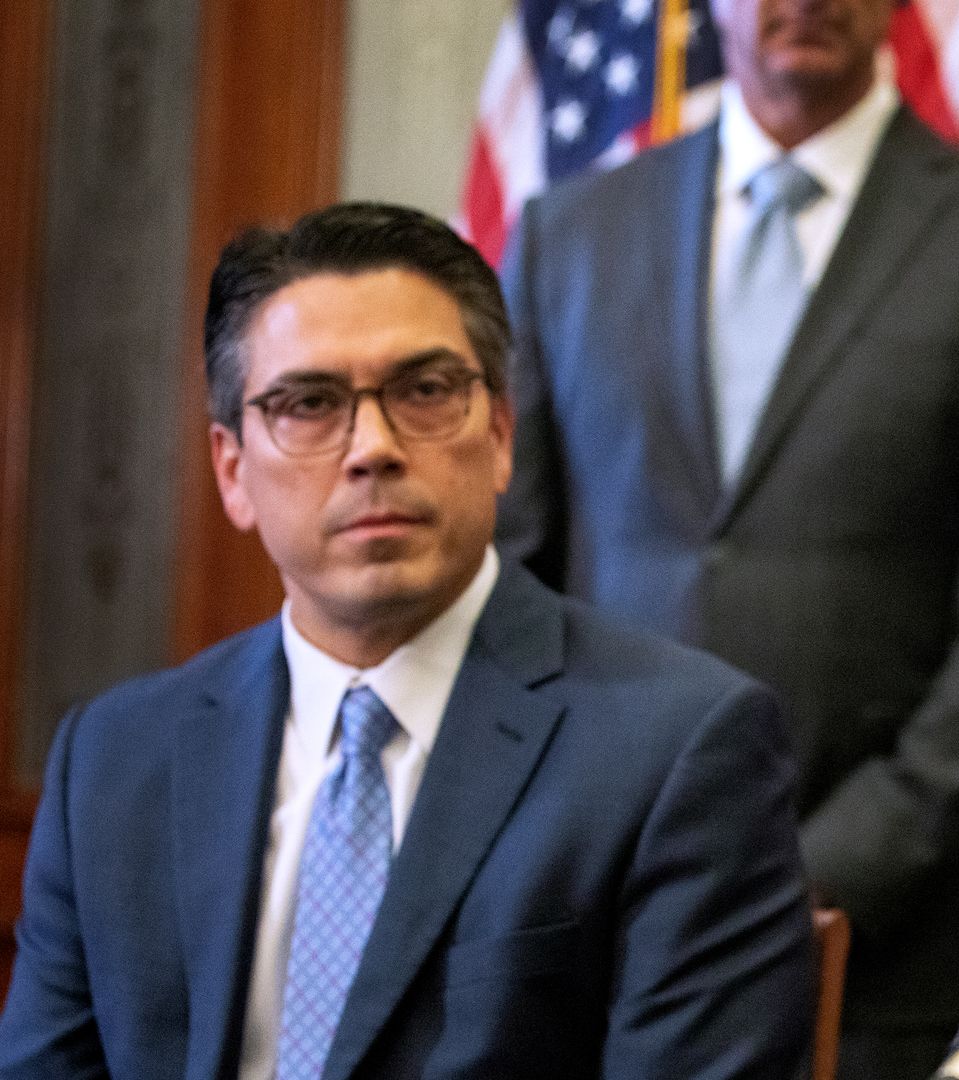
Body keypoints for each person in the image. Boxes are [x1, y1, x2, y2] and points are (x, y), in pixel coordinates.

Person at [0, 203, 814, 1080]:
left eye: (424, 392)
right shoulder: (116, 763)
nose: (373, 449)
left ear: (501, 435)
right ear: (233, 470)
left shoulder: (678, 752)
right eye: (310, 404)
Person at [496, 0, 959, 1071]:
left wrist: (822, 866)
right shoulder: (568, 234)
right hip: (586, 927)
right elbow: (507, 570)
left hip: (876, 955)